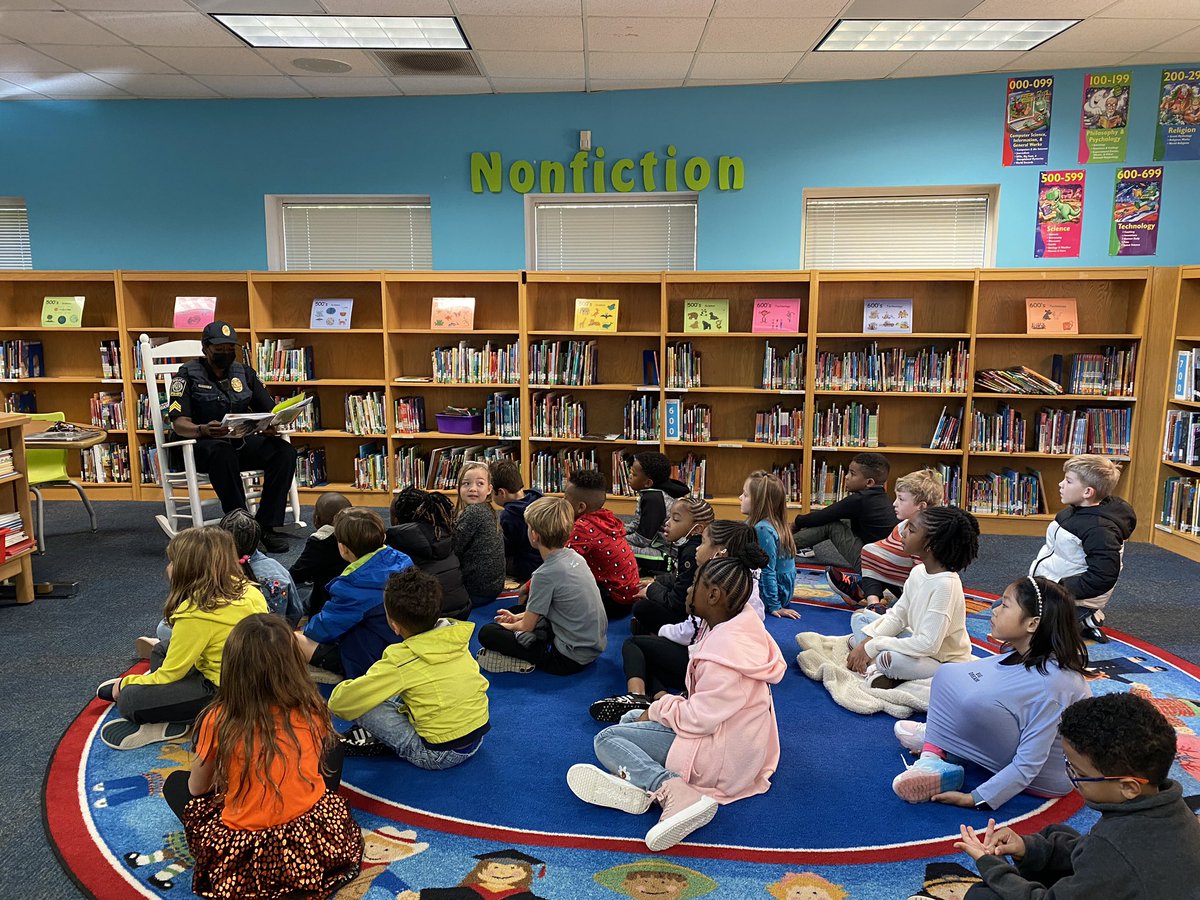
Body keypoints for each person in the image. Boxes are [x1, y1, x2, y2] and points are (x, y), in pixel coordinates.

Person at [566, 550, 786, 852]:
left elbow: (698, 718)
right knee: (631, 719)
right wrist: (658, 710)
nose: (689, 590)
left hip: (721, 759)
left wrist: (659, 708)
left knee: (607, 740)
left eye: (695, 584)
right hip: (729, 743)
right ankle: (641, 787)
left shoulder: (724, 655)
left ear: (713, 595)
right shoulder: (736, 628)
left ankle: (671, 789)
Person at [160, 614, 362, 898]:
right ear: (294, 664)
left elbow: (197, 788)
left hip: (252, 857)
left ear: (232, 667)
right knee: (333, 751)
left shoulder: (219, 719)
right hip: (316, 841)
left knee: (176, 785)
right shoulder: (312, 706)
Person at [953, 692, 1200, 899]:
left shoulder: (1115, 850)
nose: (1071, 777)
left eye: (1078, 772)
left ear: (1129, 787)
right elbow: (1092, 850)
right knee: (1052, 838)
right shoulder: (1168, 806)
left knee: (983, 896)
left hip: (1123, 873)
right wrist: (1027, 848)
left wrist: (990, 865)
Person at [891, 576, 1092, 808]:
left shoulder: (1055, 685)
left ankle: (942, 751)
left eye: (1005, 605)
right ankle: (937, 751)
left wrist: (976, 798)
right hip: (1018, 751)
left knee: (977, 702)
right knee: (951, 676)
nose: (994, 609)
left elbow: (1030, 763)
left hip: (1046, 777)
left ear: (1032, 624)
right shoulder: (1027, 652)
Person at [96, 528, 268, 750]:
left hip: (226, 693)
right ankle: (172, 706)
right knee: (161, 649)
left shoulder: (197, 611)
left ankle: (173, 717)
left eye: (172, 561)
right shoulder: (247, 589)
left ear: (188, 568)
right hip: (248, 680)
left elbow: (171, 673)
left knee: (129, 700)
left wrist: (125, 683)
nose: (168, 567)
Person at [588, 520, 764, 723]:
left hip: (705, 667)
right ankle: (660, 698)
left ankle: (639, 697)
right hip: (712, 666)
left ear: (720, 551)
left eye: (703, 542)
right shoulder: (744, 581)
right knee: (653, 651)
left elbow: (691, 629)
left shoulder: (716, 589)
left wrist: (661, 632)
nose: (697, 547)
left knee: (636, 644)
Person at [328, 568, 490, 766]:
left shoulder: (402, 659)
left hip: (437, 754)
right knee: (399, 687)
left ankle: (383, 740)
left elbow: (340, 704)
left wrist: (352, 691)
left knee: (363, 703)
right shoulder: (455, 635)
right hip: (476, 738)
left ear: (394, 625)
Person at [166, 320, 297, 553]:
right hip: (203, 445)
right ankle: (240, 526)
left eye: (230, 348)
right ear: (205, 348)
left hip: (240, 441)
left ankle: (266, 525)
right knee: (221, 451)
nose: (226, 353)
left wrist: (271, 424)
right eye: (219, 348)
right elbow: (179, 423)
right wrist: (202, 429)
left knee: (284, 452)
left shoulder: (244, 373)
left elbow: (269, 410)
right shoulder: (186, 375)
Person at [846, 505, 979, 689]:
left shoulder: (945, 585)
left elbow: (928, 645)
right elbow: (898, 616)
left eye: (912, 529)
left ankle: (879, 666)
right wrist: (868, 643)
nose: (903, 531)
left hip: (942, 661)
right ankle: (876, 666)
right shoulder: (918, 571)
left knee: (888, 658)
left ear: (931, 544)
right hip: (917, 646)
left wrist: (873, 645)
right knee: (861, 616)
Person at [475, 496, 607, 675]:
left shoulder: (543, 575)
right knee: (516, 610)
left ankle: (524, 654)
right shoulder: (576, 557)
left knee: (488, 632)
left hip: (567, 658)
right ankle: (534, 634)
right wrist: (517, 618)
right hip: (592, 647)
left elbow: (525, 627)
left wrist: (508, 627)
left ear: (534, 535)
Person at [296, 507, 413, 679]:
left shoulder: (353, 587)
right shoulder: (403, 560)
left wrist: (302, 631)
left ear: (343, 548)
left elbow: (323, 628)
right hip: (403, 646)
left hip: (372, 660)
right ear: (384, 537)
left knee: (292, 640)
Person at [1029, 455, 1136, 643]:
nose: (1060, 484)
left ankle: (1085, 617)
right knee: (1004, 607)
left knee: (1029, 629)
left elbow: (1103, 576)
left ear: (1087, 492)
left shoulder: (1099, 530)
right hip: (1051, 584)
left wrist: (1061, 588)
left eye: (1068, 481)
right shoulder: (1074, 511)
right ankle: (1076, 619)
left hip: (1074, 596)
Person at [827, 467, 943, 611]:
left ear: (921, 506)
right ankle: (869, 598)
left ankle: (862, 592)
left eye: (901, 499)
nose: (894, 503)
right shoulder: (903, 526)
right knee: (874, 552)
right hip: (899, 578)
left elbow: (924, 573)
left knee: (873, 553)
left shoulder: (926, 536)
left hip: (916, 590)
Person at [791, 452, 898, 565]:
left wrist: (796, 523)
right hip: (885, 562)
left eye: (852, 474)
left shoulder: (860, 500)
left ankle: (783, 545)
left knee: (831, 525)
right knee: (843, 520)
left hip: (871, 566)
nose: (846, 477)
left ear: (869, 482)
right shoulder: (882, 497)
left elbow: (822, 516)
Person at [563, 467, 641, 618]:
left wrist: (529, 586)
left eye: (566, 499)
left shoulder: (583, 528)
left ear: (580, 507)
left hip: (612, 601)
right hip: (627, 597)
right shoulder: (606, 517)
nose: (562, 502)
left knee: (558, 589)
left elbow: (560, 564)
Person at [631, 496, 714, 635]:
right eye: (669, 518)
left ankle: (662, 634)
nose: (667, 524)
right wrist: (657, 581)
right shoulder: (689, 544)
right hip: (687, 606)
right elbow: (679, 578)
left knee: (641, 607)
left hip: (687, 615)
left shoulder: (692, 553)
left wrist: (651, 590)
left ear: (697, 529)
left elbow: (676, 603)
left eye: (675, 519)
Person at [386, 486, 471, 621]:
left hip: (427, 619)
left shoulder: (398, 541)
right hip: (462, 610)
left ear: (396, 520)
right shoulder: (444, 532)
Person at [217, 508, 301, 624]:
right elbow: (296, 612)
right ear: (258, 538)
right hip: (277, 636)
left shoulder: (212, 573)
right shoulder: (277, 571)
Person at [741, 470, 801, 619]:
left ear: (759, 502)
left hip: (773, 594)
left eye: (746, 495)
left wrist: (774, 605)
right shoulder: (768, 522)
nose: (740, 498)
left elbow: (767, 570)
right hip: (780, 588)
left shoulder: (762, 529)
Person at [624, 451, 690, 574]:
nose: (629, 477)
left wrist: (616, 539)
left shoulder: (653, 499)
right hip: (657, 544)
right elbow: (639, 523)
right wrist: (619, 530)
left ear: (648, 483)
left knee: (613, 548)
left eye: (634, 474)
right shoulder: (655, 492)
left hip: (667, 556)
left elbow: (642, 539)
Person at [289, 491, 352, 617]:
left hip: (326, 603)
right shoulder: (365, 535)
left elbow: (296, 574)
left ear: (316, 519)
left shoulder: (320, 542)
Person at [453, 461, 506, 607]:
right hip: (493, 587)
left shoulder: (474, 511)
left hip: (476, 591)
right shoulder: (489, 509)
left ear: (489, 489)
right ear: (458, 488)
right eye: (466, 484)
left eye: (480, 484)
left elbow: (454, 548)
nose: (473, 489)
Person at [490, 459, 544, 582]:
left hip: (529, 567)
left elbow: (506, 549)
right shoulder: (538, 497)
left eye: (492, 493)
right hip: (546, 559)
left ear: (501, 492)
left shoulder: (508, 516)